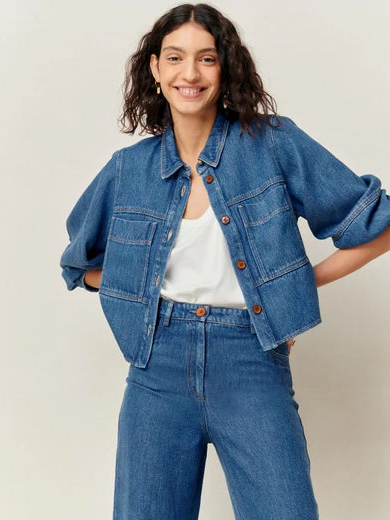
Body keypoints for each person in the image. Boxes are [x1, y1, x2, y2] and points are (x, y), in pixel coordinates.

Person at [60, 3, 390, 519]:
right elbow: (80, 265)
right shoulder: (129, 170)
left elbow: (377, 225)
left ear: (225, 67)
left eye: (206, 58)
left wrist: (290, 286)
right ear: (155, 68)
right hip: (155, 371)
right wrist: (137, 295)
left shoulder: (272, 144)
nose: (189, 73)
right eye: (175, 58)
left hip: (251, 359)